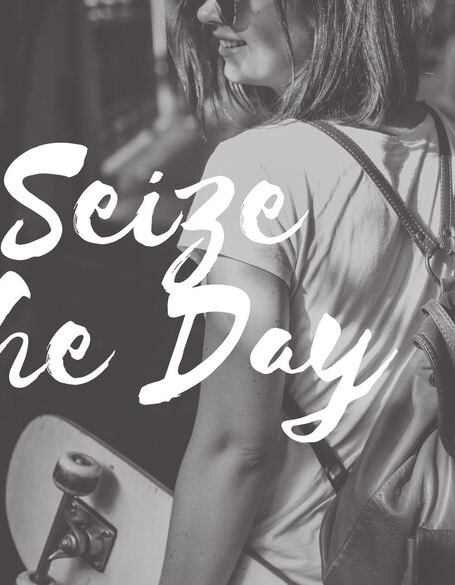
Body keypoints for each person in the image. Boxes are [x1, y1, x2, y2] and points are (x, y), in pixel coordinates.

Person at [158, 1, 455, 584]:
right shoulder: (446, 138)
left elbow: (235, 450)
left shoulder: (256, 171)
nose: (208, 13)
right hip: (422, 554)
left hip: (292, 565)